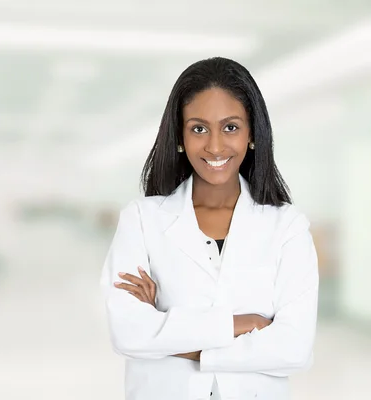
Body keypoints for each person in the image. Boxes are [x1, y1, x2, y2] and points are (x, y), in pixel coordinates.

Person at [100, 57, 319, 400]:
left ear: (252, 135)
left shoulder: (287, 226)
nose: (215, 146)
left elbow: (294, 348)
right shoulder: (142, 220)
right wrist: (242, 325)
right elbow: (127, 332)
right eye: (198, 128)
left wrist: (165, 331)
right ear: (180, 136)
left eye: (230, 127)